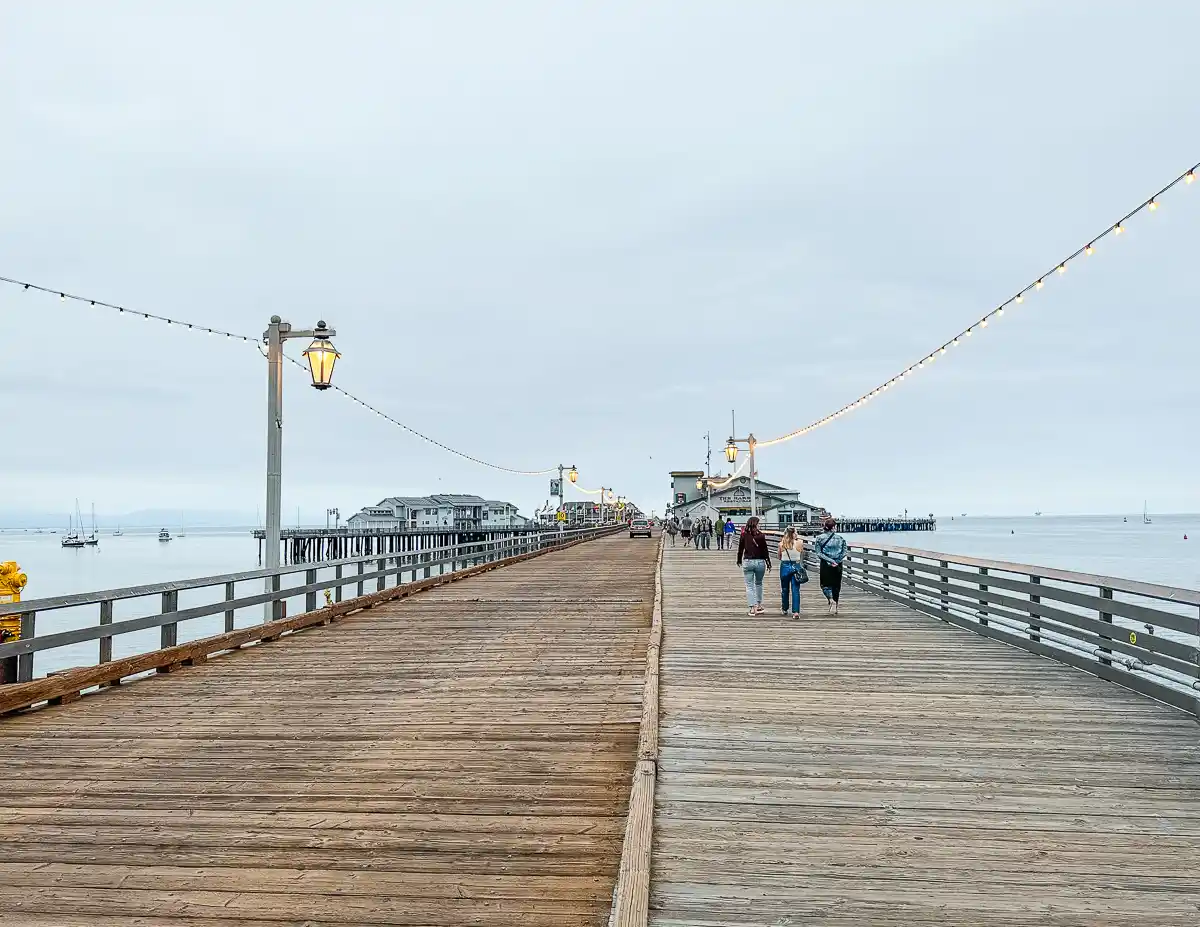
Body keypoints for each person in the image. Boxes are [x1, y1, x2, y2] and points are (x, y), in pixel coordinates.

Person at [736, 515, 771, 616]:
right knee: (759, 583)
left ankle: (752, 608)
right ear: (756, 524)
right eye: (759, 524)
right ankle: (759, 605)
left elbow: (740, 549)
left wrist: (739, 560)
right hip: (760, 562)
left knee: (749, 586)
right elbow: (765, 551)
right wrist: (768, 562)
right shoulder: (761, 535)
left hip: (748, 562)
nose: (759, 525)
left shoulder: (743, 535)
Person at [813, 516, 848, 614]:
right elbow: (844, 552)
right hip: (838, 564)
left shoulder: (819, 538)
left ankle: (831, 599)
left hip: (825, 564)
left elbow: (819, 553)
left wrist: (830, 561)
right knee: (836, 585)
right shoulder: (841, 538)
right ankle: (835, 606)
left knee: (825, 585)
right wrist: (837, 561)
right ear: (833, 528)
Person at [777, 525, 808, 618]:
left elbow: (779, 557)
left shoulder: (781, 544)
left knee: (785, 589)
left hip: (785, 566)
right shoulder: (800, 543)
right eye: (796, 532)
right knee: (795, 589)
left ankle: (785, 608)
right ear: (793, 534)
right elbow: (802, 553)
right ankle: (796, 612)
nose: (797, 533)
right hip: (796, 566)